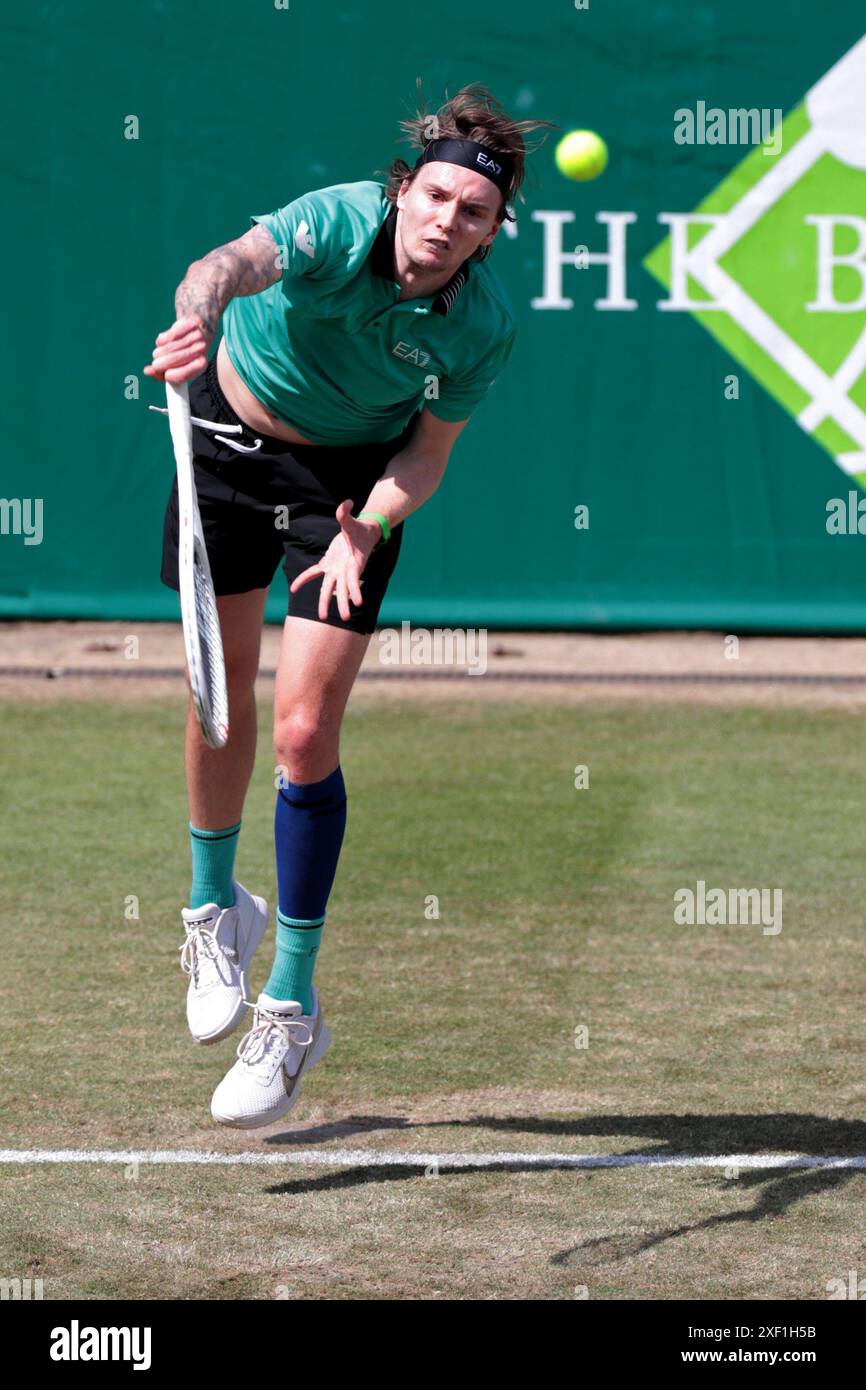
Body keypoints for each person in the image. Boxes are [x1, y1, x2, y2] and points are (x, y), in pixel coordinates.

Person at [144, 83, 552, 1129]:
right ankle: (210, 906)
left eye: (473, 212)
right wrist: (195, 317)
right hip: (225, 445)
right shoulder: (332, 221)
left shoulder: (481, 326)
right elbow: (226, 268)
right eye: (435, 197)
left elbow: (427, 449)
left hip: (348, 493)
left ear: (492, 228)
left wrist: (370, 521)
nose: (446, 222)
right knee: (216, 697)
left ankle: (290, 996)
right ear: (402, 191)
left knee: (302, 731)